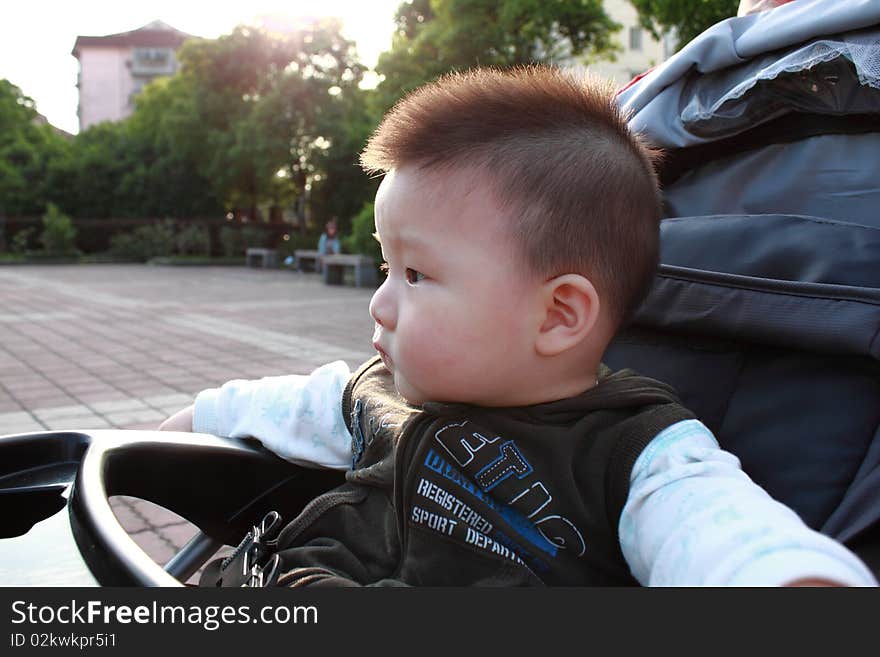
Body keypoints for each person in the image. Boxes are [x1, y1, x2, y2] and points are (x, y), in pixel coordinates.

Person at [159, 66, 876, 587]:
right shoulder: (381, 390)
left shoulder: (631, 450)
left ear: (558, 315)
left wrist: (793, 581)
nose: (380, 305)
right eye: (386, 268)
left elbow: (721, 531)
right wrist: (196, 418)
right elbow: (286, 405)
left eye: (415, 275)